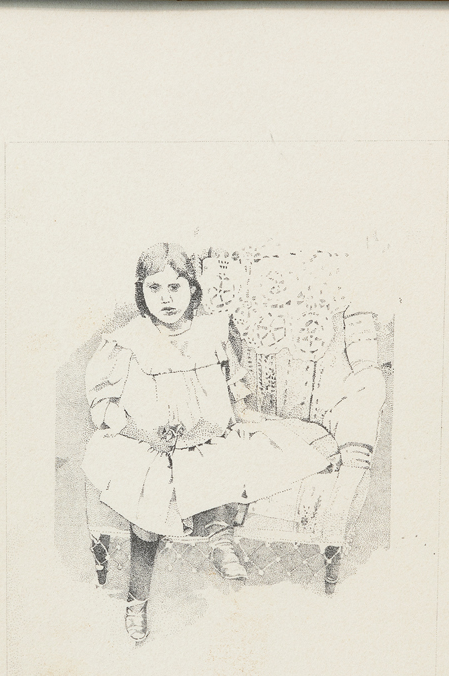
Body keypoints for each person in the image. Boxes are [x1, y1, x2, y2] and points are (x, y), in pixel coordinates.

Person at [83, 243, 334, 643]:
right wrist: (145, 433)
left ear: (192, 289)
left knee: (230, 456)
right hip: (150, 444)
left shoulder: (212, 332)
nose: (166, 298)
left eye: (175, 286)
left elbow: (232, 395)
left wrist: (245, 420)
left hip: (204, 437)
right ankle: (136, 600)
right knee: (149, 498)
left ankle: (221, 539)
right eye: (154, 288)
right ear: (141, 292)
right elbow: (103, 404)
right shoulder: (129, 341)